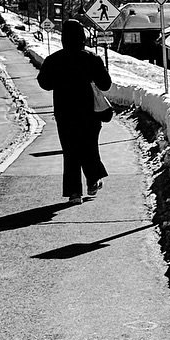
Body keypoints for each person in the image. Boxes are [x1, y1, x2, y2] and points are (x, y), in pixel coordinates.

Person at [36, 20, 112, 203]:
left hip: (65, 113)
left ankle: (74, 193)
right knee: (89, 146)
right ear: (82, 37)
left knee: (70, 151)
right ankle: (93, 179)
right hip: (90, 113)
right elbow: (106, 84)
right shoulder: (91, 59)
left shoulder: (54, 60)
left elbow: (44, 83)